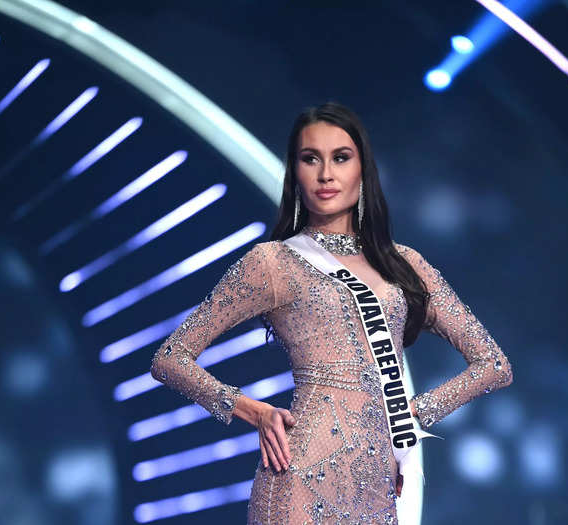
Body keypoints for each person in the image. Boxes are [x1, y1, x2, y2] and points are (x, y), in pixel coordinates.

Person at [150, 101, 513, 524]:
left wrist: (410, 415)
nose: (326, 174)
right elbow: (169, 359)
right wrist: (253, 410)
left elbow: (494, 365)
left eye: (341, 158)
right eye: (310, 159)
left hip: (377, 492)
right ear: (296, 173)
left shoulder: (406, 265)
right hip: (299, 478)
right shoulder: (272, 262)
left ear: (363, 169)